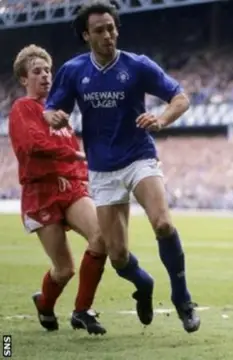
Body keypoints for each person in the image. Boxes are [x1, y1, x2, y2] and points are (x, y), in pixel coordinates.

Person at [43, 1, 200, 333]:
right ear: (87, 35)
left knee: (163, 224)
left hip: (139, 156)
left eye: (111, 28)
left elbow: (181, 98)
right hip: (102, 169)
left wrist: (161, 118)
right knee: (117, 256)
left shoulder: (138, 65)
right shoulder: (73, 71)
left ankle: (183, 298)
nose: (107, 35)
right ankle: (144, 286)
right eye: (99, 30)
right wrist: (54, 116)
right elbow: (51, 109)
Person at [8, 45, 108, 335]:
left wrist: (80, 173)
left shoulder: (59, 111)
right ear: (24, 80)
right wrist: (74, 158)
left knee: (100, 236)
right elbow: (32, 145)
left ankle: (82, 310)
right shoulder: (21, 109)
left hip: (71, 187)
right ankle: (45, 303)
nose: (45, 76)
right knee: (64, 270)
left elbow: (71, 148)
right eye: (37, 71)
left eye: (48, 70)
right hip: (40, 193)